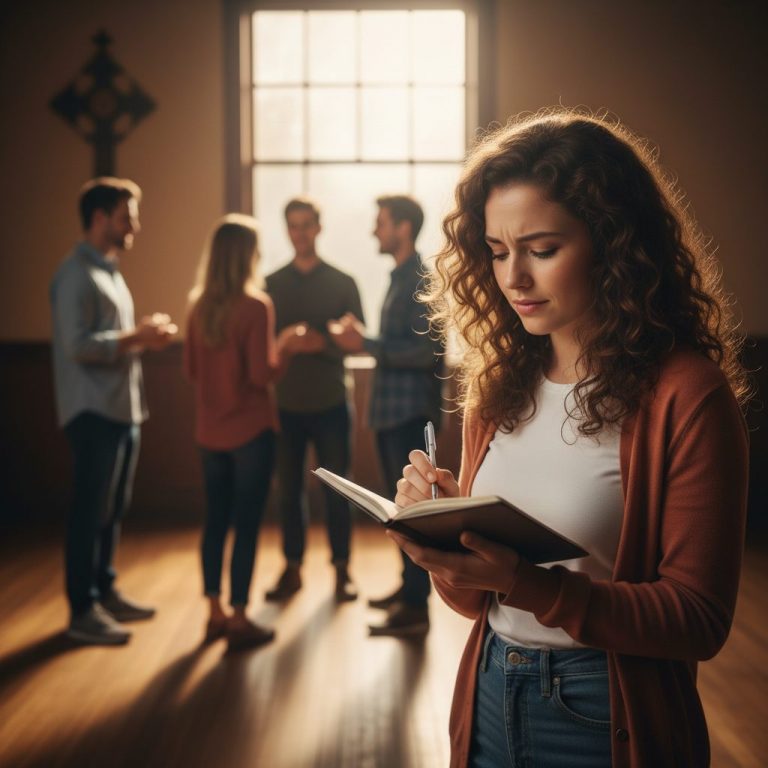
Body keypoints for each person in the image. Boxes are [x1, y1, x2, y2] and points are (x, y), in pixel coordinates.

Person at [388, 110, 750, 767]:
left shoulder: (687, 396)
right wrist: (441, 537)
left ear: (615, 244)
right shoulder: (498, 387)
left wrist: (528, 583)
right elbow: (477, 601)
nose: (513, 278)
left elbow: (699, 620)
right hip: (491, 690)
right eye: (497, 251)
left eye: (542, 249)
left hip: (603, 709)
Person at [50, 177, 177, 645]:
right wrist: (138, 336)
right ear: (101, 217)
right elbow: (77, 345)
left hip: (122, 410)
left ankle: (104, 590)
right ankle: (81, 610)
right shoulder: (74, 275)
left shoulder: (108, 269)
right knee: (90, 509)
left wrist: (142, 336)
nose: (135, 225)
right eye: (128, 216)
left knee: (113, 508)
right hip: (92, 413)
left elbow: (115, 342)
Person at [184, 214, 306, 649]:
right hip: (251, 433)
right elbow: (262, 374)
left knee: (214, 522)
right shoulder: (256, 306)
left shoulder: (197, 307)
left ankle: (213, 610)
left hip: (208, 433)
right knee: (247, 524)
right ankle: (239, 615)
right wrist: (286, 349)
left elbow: (192, 371)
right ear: (245, 255)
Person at [329, 195, 444, 636]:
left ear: (402, 228)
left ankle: (417, 609)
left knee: (410, 515)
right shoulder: (400, 276)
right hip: (392, 412)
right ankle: (408, 591)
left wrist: (365, 343)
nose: (374, 231)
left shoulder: (419, 279)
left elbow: (426, 353)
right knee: (400, 512)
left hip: (409, 413)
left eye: (381, 223)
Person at [264, 197, 365, 602]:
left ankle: (342, 570)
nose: (300, 232)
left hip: (330, 403)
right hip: (285, 405)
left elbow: (357, 341)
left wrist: (319, 343)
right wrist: (286, 344)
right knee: (288, 491)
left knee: (338, 490)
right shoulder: (269, 285)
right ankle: (292, 568)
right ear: (286, 230)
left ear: (319, 228)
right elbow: (260, 347)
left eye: (307, 225)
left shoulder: (343, 282)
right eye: (293, 225)